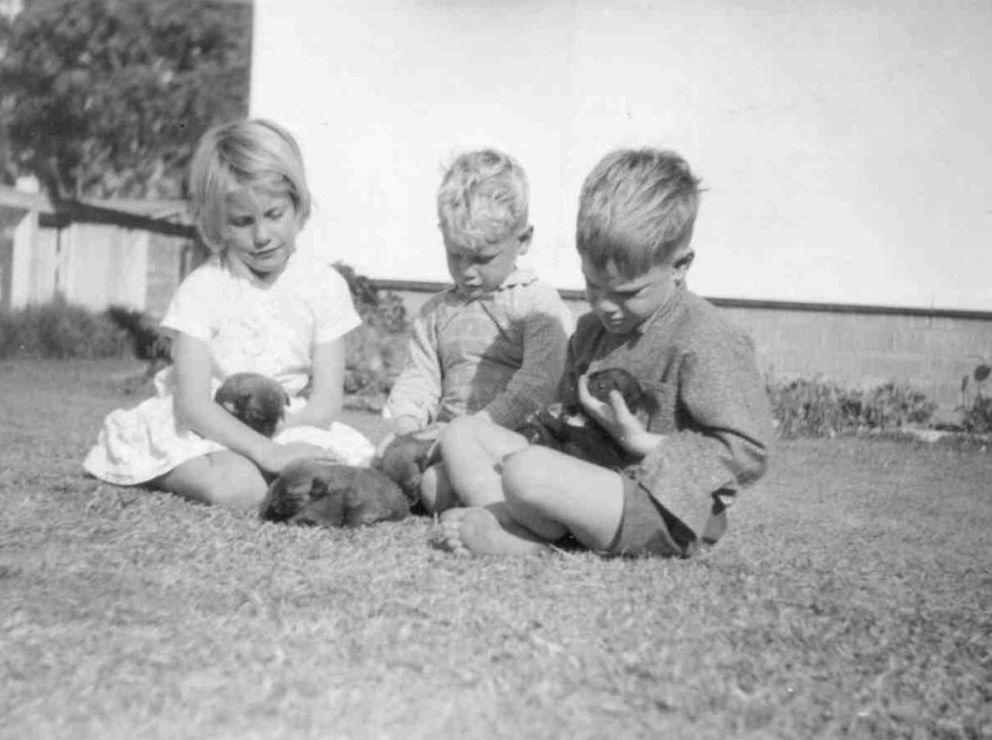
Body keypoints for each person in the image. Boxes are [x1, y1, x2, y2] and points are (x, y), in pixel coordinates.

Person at [438, 147, 772, 557]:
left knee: (527, 473)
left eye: (628, 293)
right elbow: (560, 424)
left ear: (681, 265)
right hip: (582, 482)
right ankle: (511, 524)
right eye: (593, 285)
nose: (606, 306)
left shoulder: (705, 336)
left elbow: (747, 452)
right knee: (463, 433)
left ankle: (526, 537)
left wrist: (641, 441)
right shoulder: (591, 332)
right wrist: (546, 430)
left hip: (658, 504)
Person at [83, 119, 374, 508]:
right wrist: (264, 452)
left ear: (297, 204)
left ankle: (282, 479)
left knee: (355, 466)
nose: (261, 236)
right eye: (242, 221)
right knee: (236, 486)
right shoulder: (203, 289)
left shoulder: (325, 286)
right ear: (219, 222)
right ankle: (169, 471)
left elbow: (325, 403)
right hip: (206, 426)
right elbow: (194, 405)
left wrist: (282, 436)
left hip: (286, 423)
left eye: (274, 214)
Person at [378, 149, 573, 511]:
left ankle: (495, 508)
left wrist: (473, 429)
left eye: (483, 259)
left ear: (524, 240)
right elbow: (420, 377)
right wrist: (407, 427)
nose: (467, 272)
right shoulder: (436, 312)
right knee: (391, 459)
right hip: (443, 441)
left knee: (436, 486)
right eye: (456, 255)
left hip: (515, 442)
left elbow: (538, 382)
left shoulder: (535, 303)